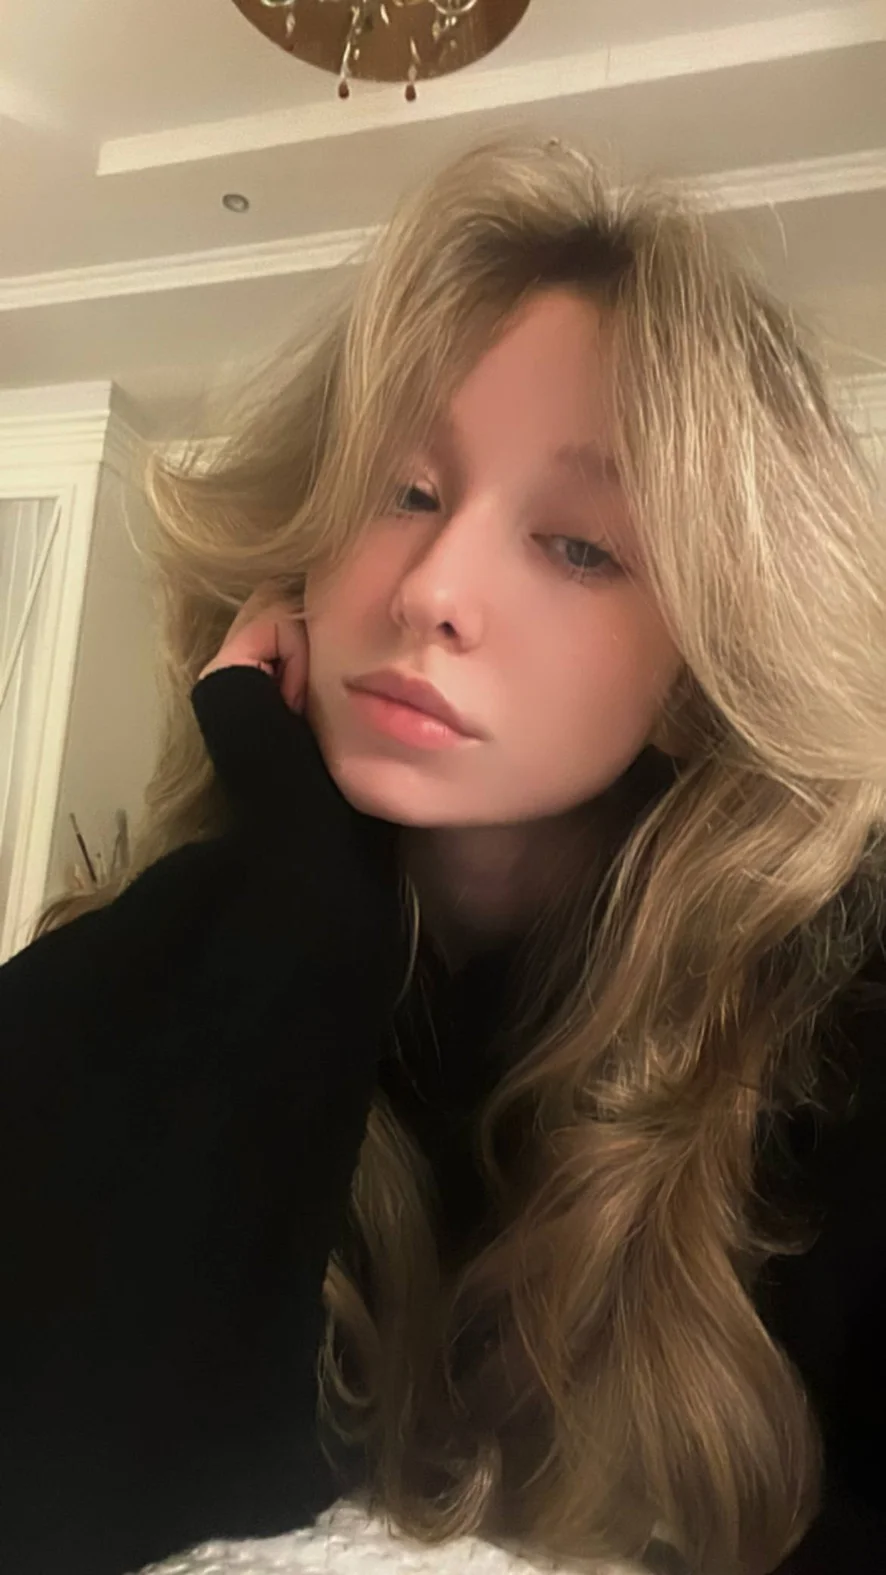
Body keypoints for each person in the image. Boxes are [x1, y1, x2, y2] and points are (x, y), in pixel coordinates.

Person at [1, 136, 885, 1575]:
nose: (432, 591)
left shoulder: (836, 1042)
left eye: (580, 546)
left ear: (701, 669)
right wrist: (295, 915)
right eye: (403, 490)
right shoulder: (128, 974)